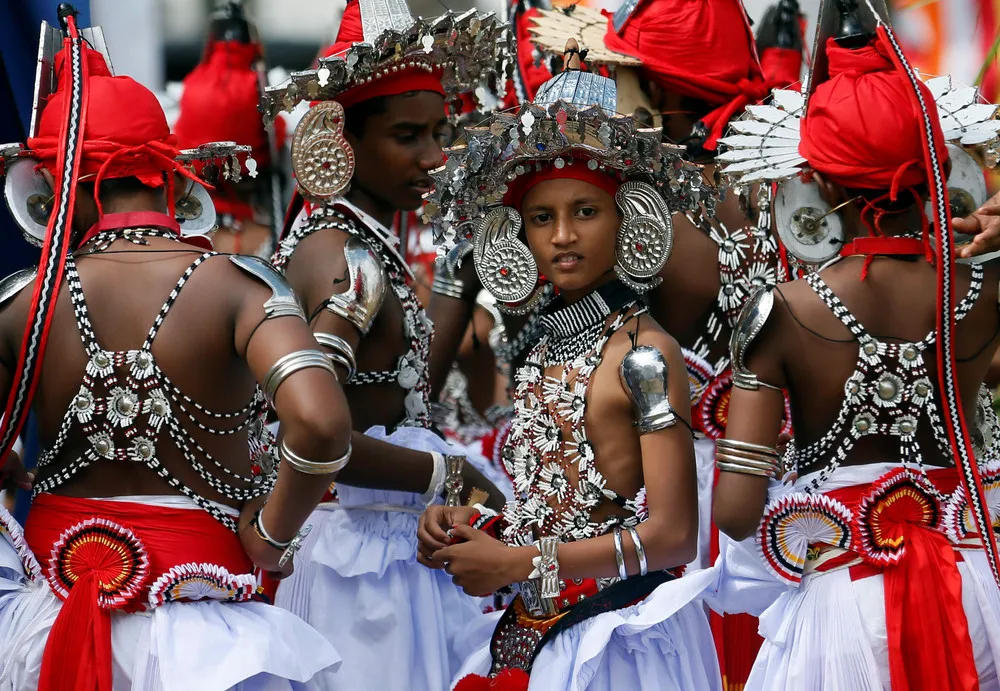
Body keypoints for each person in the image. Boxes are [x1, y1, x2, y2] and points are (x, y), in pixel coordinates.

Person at [0, 9, 350, 689]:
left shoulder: (23, 302)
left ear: (58, 183)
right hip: (206, 639)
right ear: (168, 173)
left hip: (44, 624)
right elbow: (321, 422)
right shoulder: (238, 287)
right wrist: (271, 538)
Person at [711, 8, 1000, 689]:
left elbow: (734, 511)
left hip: (843, 609)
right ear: (938, 161)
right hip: (977, 593)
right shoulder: (985, 289)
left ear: (823, 182)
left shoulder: (780, 310)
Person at [419, 53, 722, 691]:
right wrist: (470, 522)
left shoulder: (646, 354)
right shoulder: (543, 347)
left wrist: (516, 562)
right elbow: (555, 504)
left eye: (586, 211)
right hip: (537, 627)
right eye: (541, 217)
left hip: (617, 640)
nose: (561, 236)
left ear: (629, 218)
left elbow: (671, 538)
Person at [262, 1, 512, 688]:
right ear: (342, 140)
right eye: (408, 136)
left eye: (440, 132)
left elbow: (399, 400)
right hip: (360, 571)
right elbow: (310, 432)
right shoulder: (345, 258)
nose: (433, 158)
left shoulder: (370, 245)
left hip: (394, 548)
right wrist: (447, 476)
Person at [173, 1, 286, 258]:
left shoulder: (194, 80)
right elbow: (274, 138)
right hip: (248, 209)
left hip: (199, 201)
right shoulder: (258, 84)